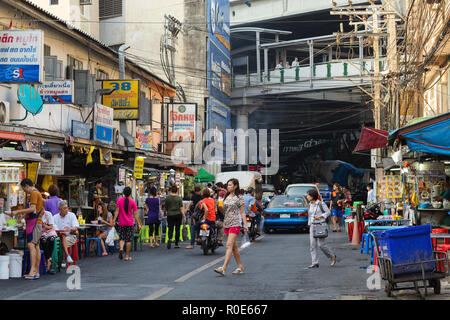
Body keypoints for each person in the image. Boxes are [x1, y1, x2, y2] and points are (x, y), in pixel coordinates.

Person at [11, 178, 45, 280]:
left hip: (35, 223)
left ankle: (32, 271)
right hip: (37, 222)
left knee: (31, 245)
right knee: (36, 246)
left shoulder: (34, 193)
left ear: (26, 186)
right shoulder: (37, 193)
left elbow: (32, 209)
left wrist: (18, 212)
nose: (24, 191)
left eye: (24, 189)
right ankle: (36, 272)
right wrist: (23, 215)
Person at [214, 178, 248, 276]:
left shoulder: (239, 197)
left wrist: (245, 224)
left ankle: (223, 268)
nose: (228, 187)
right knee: (234, 248)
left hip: (235, 223)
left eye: (230, 185)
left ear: (235, 186)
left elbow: (242, 212)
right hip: (227, 222)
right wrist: (219, 206)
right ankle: (240, 267)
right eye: (227, 185)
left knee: (228, 245)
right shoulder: (226, 196)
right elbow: (224, 211)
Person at [306, 189, 337, 269]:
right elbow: (310, 216)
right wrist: (309, 225)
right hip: (312, 226)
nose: (307, 197)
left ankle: (332, 256)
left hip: (320, 225)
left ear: (312, 196)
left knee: (321, 245)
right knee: (312, 245)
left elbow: (328, 212)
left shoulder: (321, 203)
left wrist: (320, 216)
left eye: (308, 195)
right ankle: (314, 262)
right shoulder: (309, 205)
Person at [113, 186, 142, 261]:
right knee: (128, 240)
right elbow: (135, 214)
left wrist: (114, 220)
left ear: (123, 193)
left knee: (122, 238)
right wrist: (139, 223)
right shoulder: (133, 202)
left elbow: (117, 211)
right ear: (130, 193)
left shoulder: (119, 200)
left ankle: (121, 248)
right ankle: (127, 256)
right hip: (129, 223)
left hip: (121, 223)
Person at [53, 200, 79, 267]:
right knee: (61, 237)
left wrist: (70, 228)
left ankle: (62, 260)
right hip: (58, 236)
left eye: (67, 207)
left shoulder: (71, 215)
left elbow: (75, 228)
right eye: (64, 208)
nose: (66, 210)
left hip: (71, 236)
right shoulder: (55, 217)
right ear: (59, 209)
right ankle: (67, 256)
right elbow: (53, 228)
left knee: (63, 238)